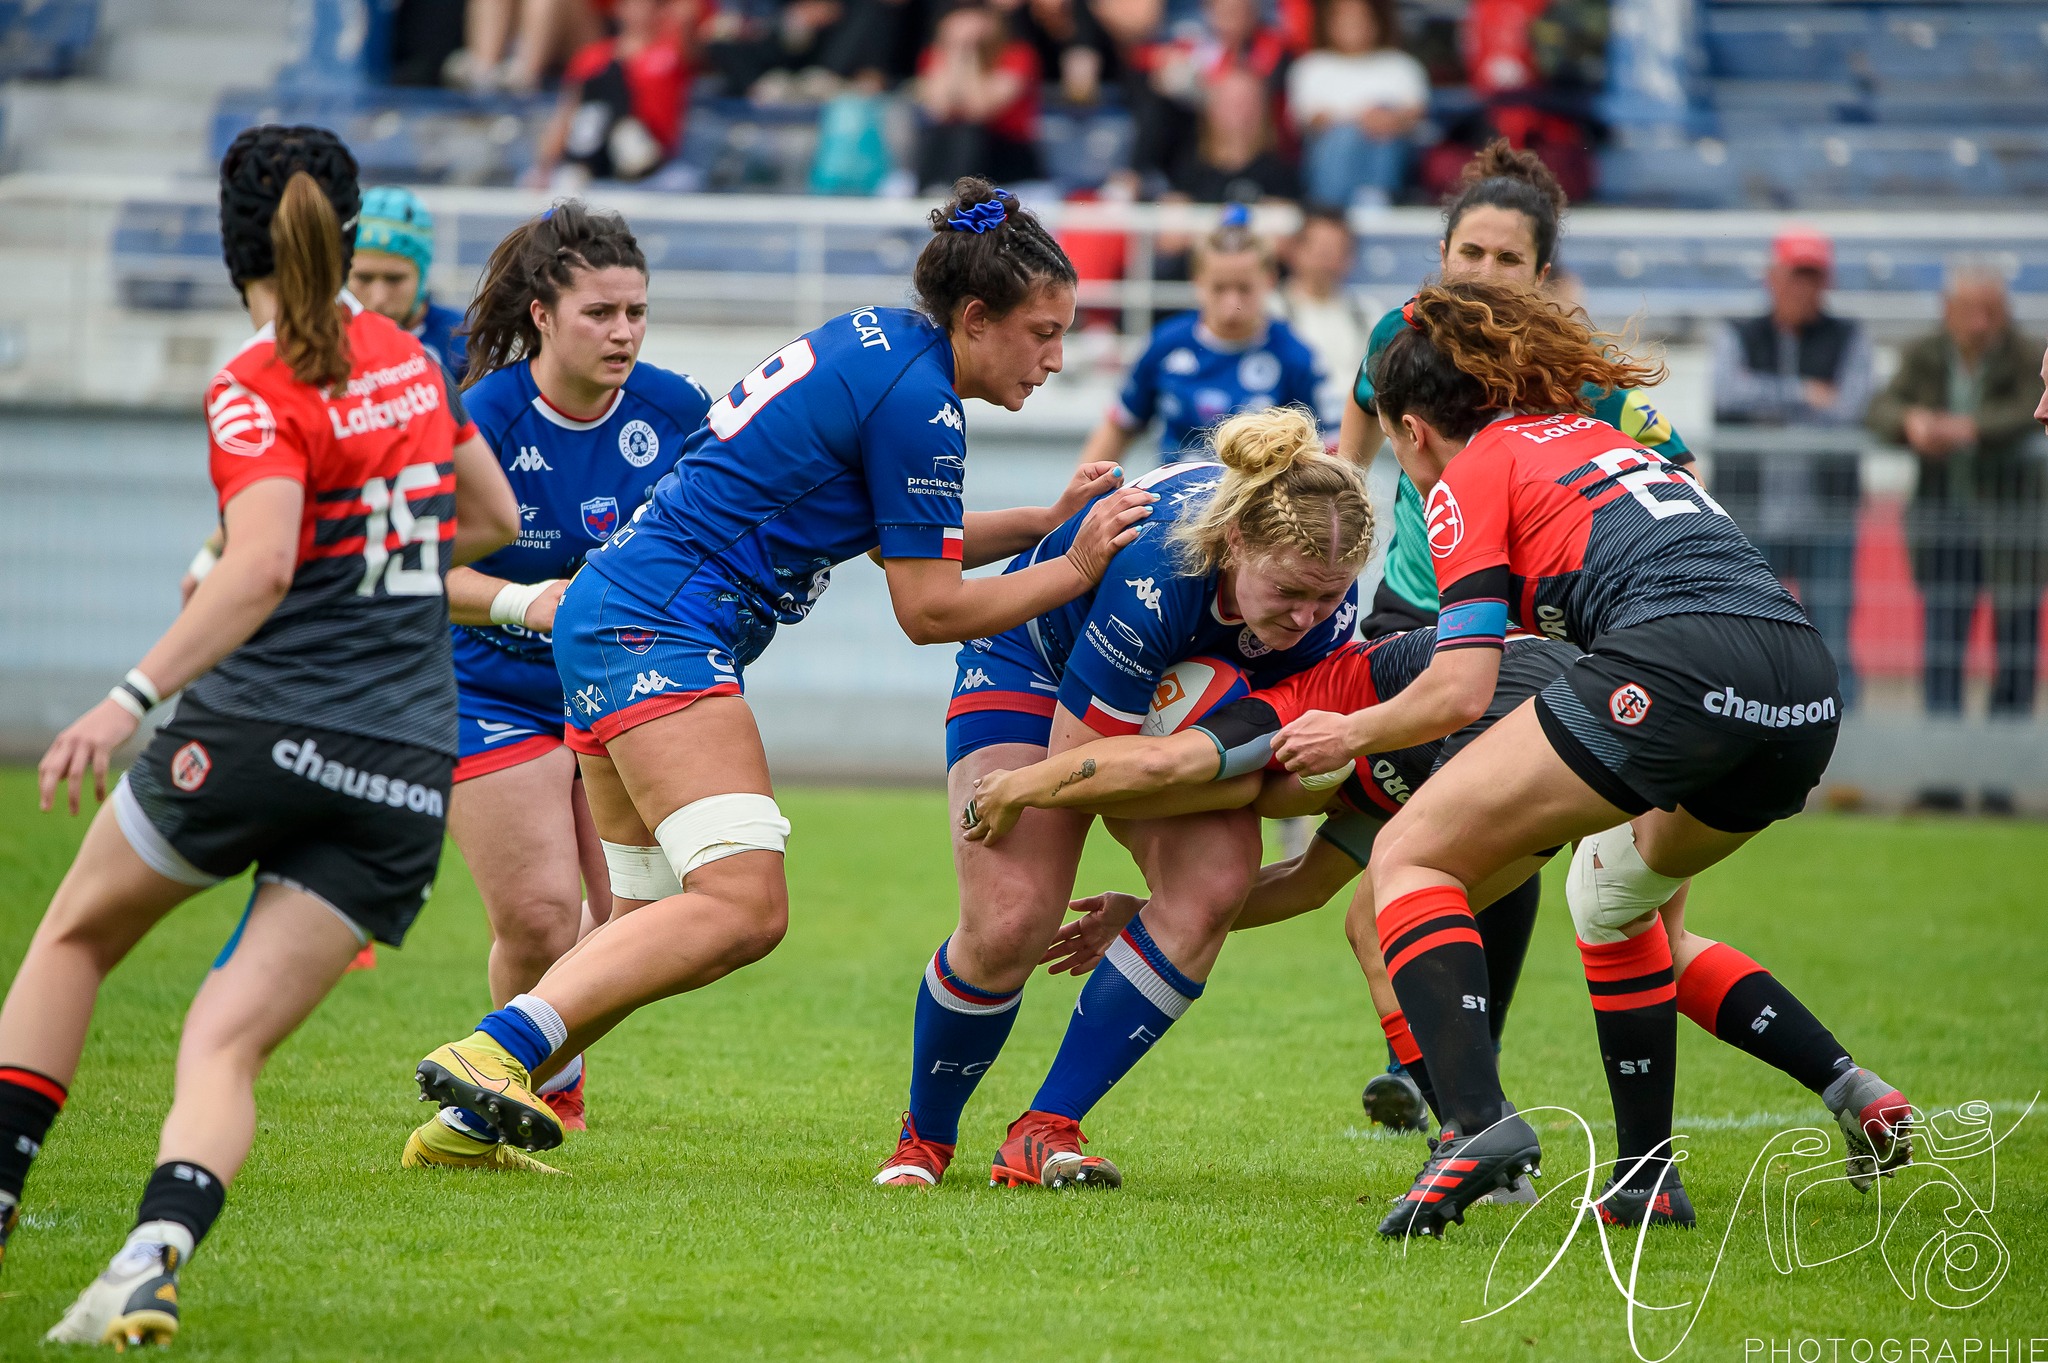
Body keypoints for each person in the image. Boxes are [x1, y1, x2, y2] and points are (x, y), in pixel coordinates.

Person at [400, 180, 1158, 1166]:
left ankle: (465, 1121)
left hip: (610, 615)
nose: (1056, 358)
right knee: (744, 907)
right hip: (659, 631)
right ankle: (495, 1051)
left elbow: (905, 540)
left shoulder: (882, 341)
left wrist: (1041, 524)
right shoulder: (922, 403)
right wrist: (1076, 566)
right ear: (976, 318)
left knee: (636, 921)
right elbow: (926, 606)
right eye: (1042, 332)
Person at [0, 125, 517, 1346]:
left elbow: (261, 563)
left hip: (255, 731)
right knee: (224, 1040)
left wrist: (125, 698)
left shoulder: (254, 379)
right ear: (345, 237)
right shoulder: (410, 360)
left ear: (234, 243)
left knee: (74, 935)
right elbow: (490, 514)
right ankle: (152, 1254)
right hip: (400, 770)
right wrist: (374, 571)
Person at [1272, 279, 1911, 1238]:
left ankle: (1477, 1127)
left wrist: (1347, 732)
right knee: (1612, 900)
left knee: (1411, 859)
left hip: (1680, 665)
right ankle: (1650, 1177)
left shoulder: (1469, 472)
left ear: (1409, 429)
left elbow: (1457, 689)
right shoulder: (1596, 437)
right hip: (1802, 685)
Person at [965, 623, 1915, 1220]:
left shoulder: (1305, 703)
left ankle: (1482, 1141)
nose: (1234, 805)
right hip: (1622, 723)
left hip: (1566, 719)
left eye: (1238, 785)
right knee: (1641, 931)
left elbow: (1168, 770)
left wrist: (1025, 785)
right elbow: (1299, 886)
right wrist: (1153, 909)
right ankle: (1852, 1087)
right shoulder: (1360, 786)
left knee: (1388, 917)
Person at [876, 405, 1370, 1189]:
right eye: (1289, 592)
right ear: (1238, 541)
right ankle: (924, 1138)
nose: (1307, 617)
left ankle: (1044, 1129)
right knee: (1011, 918)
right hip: (1033, 666)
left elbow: (1277, 779)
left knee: (1215, 880)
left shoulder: (1325, 612)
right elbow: (1082, 768)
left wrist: (1205, 773)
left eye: (1328, 596)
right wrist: (1212, 767)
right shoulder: (1158, 568)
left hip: (1160, 725)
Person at [1333, 138, 1692, 1129]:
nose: (1483, 273)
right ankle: (1438, 1065)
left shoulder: (1564, 368)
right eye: (1469, 253)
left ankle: (1453, 1074)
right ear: (1440, 252)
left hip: (1524, 634)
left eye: (1506, 260)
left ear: (1540, 277)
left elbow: (1674, 468)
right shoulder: (1395, 339)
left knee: (1481, 829)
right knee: (1415, 833)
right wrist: (1336, 527)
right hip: (1412, 614)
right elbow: (1353, 436)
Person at [397, 201, 716, 1170]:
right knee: (541, 916)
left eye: (635, 312)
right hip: (493, 686)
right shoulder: (481, 416)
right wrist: (531, 603)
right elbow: (420, 567)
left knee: (628, 920)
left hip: (623, 691)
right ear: (541, 314)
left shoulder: (674, 411)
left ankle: (525, 1082)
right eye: (600, 313)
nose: (622, 332)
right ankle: (517, 1087)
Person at [1867, 265, 2047, 728]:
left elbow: (2032, 409)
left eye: (1991, 311)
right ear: (1948, 311)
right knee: (1944, 644)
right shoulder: (1925, 353)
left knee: (2015, 645)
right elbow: (1880, 407)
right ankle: (1940, 770)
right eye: (1971, 311)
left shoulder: (2026, 354)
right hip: (1944, 521)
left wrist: (1971, 430)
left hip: (2012, 526)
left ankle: (2001, 772)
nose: (1981, 323)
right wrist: (1912, 422)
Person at [1712, 226, 1874, 709]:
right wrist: (1804, 395)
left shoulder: (1850, 337)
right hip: (1750, 515)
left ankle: (1848, 749)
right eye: (1795, 275)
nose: (1803, 287)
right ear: (1773, 277)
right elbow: (1726, 393)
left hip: (1827, 515)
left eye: (1813, 276)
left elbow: (1848, 407)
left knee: (1832, 638)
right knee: (1745, 636)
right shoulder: (1735, 333)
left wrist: (1764, 399)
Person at [1080, 216, 1324, 469]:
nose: (1232, 304)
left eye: (1244, 289)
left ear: (1269, 280)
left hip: (1260, 503)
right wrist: (1084, 501)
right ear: (1198, 281)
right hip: (1175, 499)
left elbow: (1327, 446)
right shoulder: (1165, 344)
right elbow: (1119, 426)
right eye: (1219, 289)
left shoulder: (1295, 356)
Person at [533, 0, 696, 187]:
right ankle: (588, 161)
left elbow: (688, 20)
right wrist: (543, 166)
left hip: (655, 160)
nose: (639, 8)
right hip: (596, 153)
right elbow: (566, 113)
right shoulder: (593, 57)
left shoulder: (672, 51)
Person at [1284, 0, 1427, 208]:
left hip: (1391, 147)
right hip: (1328, 154)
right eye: (1344, 18)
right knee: (1344, 136)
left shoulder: (1401, 65)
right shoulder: (1310, 67)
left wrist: (1387, 120)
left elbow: (1416, 115)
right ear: (1329, 23)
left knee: (1384, 134)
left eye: (1361, 18)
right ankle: (1331, 206)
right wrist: (1361, 120)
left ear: (1376, 22)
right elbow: (1311, 120)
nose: (1353, 25)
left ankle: (1376, 198)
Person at [914, 2, 1045, 193]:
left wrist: (969, 52)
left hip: (1005, 156)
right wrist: (955, 52)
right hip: (953, 156)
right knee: (942, 135)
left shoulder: (1017, 55)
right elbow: (938, 109)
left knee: (969, 134)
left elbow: (978, 109)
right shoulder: (936, 56)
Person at [349, 185, 470, 382]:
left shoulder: (466, 341)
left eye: (394, 279)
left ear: (422, 275)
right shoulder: (320, 343)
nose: (379, 298)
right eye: (364, 278)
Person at [1272, 206, 1373, 429]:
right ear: (1295, 250)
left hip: (1355, 426)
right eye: (1320, 249)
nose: (1327, 259)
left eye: (1338, 250)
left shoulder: (1368, 313)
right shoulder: (1270, 311)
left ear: (1350, 257)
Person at [1167, 67, 1301, 205]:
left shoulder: (1280, 171)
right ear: (1211, 109)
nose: (1239, 112)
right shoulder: (1188, 167)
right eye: (1229, 102)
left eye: (1247, 102)